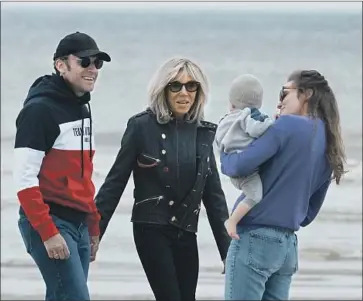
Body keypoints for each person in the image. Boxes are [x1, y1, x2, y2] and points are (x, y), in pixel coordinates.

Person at [94, 57, 231, 301]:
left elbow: (214, 196)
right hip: (151, 228)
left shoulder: (203, 133)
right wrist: (93, 232)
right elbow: (115, 182)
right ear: (163, 90)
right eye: (175, 85)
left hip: (187, 230)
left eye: (192, 86)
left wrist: (228, 250)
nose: (184, 93)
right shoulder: (141, 127)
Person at [220, 70, 346, 300]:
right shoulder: (330, 141)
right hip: (287, 247)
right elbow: (308, 214)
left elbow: (238, 166)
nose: (279, 102)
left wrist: (223, 153)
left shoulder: (286, 126)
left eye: (284, 93)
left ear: (306, 93)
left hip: (255, 238)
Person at [13, 31, 111, 300]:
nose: (92, 69)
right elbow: (24, 179)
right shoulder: (39, 111)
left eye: (97, 63)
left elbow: (84, 176)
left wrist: (93, 226)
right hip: (50, 221)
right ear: (61, 65)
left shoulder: (82, 108)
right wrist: (48, 232)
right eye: (84, 62)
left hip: (78, 224)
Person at [215, 74, 274, 240]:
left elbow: (218, 141)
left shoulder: (225, 119)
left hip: (231, 164)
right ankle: (232, 221)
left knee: (250, 194)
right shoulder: (247, 115)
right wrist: (271, 124)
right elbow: (256, 130)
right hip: (246, 170)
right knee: (255, 196)